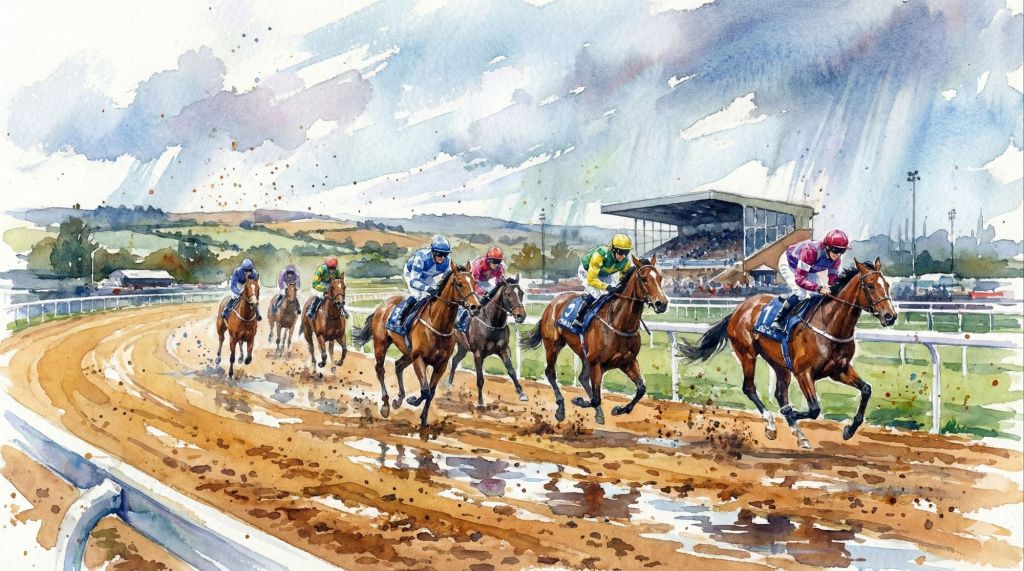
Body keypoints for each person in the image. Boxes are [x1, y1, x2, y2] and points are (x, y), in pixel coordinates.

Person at [772, 229, 849, 330]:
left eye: (842, 251)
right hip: (790, 264)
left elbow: (833, 280)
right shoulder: (810, 251)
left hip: (809, 269)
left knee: (819, 295)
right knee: (801, 293)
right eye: (836, 250)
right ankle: (778, 320)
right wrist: (819, 288)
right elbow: (800, 279)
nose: (838, 254)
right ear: (827, 247)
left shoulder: (837, 259)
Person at [572, 233, 633, 328]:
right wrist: (607, 287)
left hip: (604, 274)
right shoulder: (600, 255)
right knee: (595, 293)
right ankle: (578, 318)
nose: (623, 256)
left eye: (626, 252)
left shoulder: (625, 262)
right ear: (613, 249)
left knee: (616, 294)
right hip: (587, 271)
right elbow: (592, 279)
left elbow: (624, 277)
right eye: (621, 252)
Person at [398, 235, 452, 323]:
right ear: (433, 252)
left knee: (438, 295)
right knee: (417, 295)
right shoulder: (421, 257)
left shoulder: (447, 261)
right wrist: (428, 288)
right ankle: (401, 317)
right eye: (440, 254)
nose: (442, 257)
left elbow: (447, 279)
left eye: (445, 254)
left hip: (427, 276)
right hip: (411, 273)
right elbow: (413, 281)